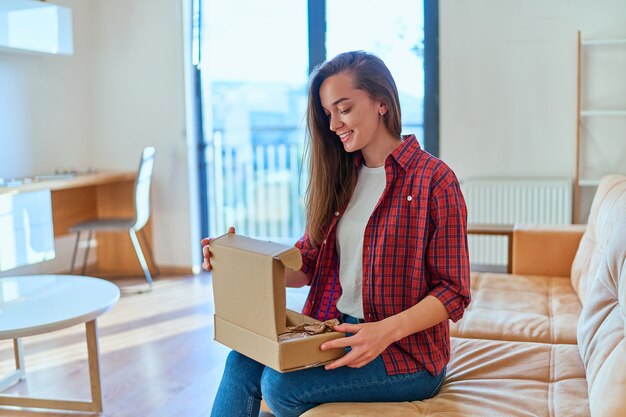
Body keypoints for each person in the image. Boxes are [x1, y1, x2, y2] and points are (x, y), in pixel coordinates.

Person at [202, 50, 471, 417]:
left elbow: (453, 291)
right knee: (241, 361)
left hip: (406, 354)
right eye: (328, 113)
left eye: (343, 109)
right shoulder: (343, 178)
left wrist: (383, 332)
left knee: (280, 387)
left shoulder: (434, 180)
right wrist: (238, 263)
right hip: (336, 331)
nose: (333, 125)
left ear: (381, 102)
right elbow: (306, 266)